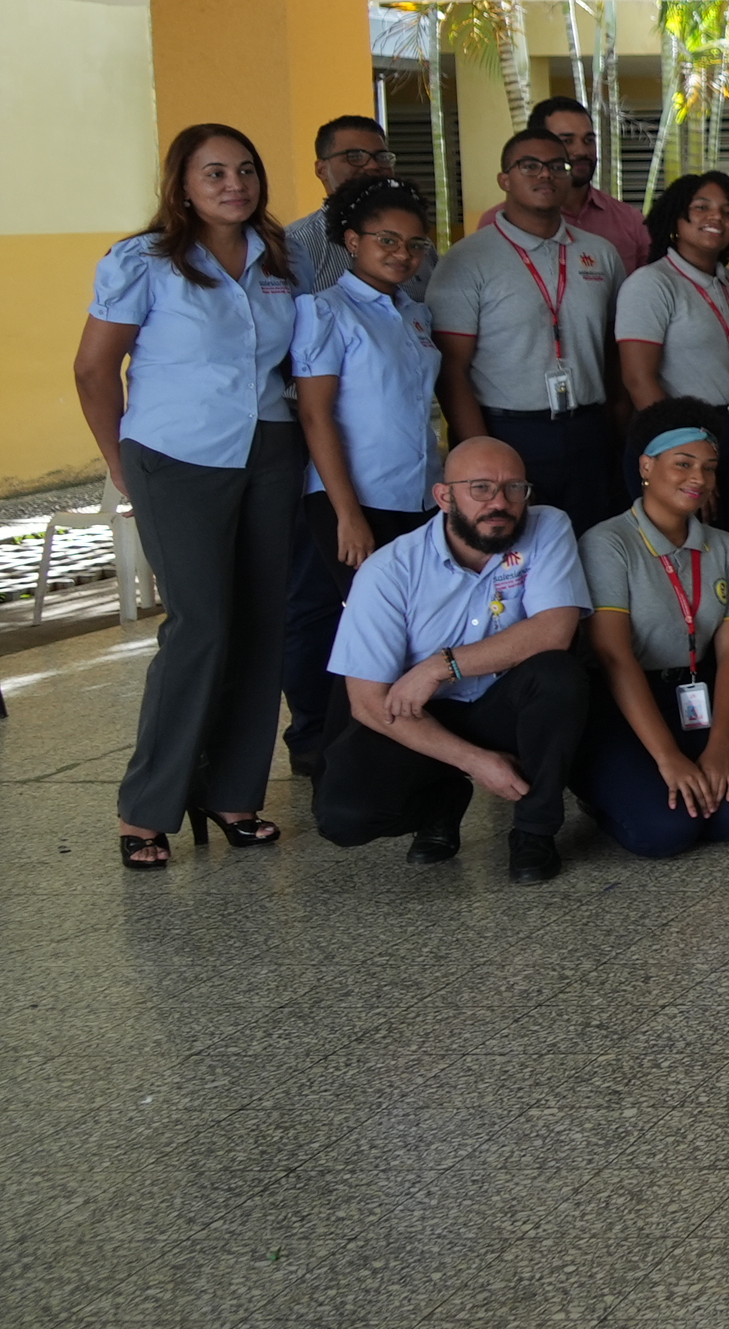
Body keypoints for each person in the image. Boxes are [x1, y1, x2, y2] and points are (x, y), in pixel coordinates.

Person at [75, 123, 308, 867]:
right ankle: (147, 806)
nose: (233, 184)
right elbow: (92, 370)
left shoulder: (280, 257)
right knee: (201, 625)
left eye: (245, 169)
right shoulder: (143, 261)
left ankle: (233, 792)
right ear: (181, 184)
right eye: (214, 173)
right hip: (176, 455)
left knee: (260, 624)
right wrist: (121, 462)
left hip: (269, 450)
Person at [311, 436, 592, 882]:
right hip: (419, 716)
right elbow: (367, 702)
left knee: (558, 675)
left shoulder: (548, 526)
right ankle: (440, 799)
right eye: (480, 488)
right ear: (444, 497)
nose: (499, 502)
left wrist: (441, 665)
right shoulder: (388, 571)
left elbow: (554, 631)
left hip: (504, 701)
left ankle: (535, 831)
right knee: (343, 817)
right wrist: (473, 761)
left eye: (513, 488)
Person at [283, 175, 441, 782]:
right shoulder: (324, 310)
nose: (403, 254)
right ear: (351, 240)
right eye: (387, 240)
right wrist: (347, 513)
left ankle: (389, 753)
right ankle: (337, 758)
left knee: (403, 629)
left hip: (417, 495)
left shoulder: (416, 313)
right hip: (354, 498)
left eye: (416, 244)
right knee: (365, 632)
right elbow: (316, 414)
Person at [576, 402, 729, 856]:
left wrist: (722, 743)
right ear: (646, 465)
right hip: (625, 699)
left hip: (694, 693)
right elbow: (613, 656)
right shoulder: (607, 543)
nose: (699, 480)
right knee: (667, 831)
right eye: (683, 464)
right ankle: (595, 786)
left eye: (709, 467)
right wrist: (668, 757)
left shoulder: (724, 547)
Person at [429, 126, 625, 525]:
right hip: (508, 429)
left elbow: (613, 350)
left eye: (557, 166)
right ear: (504, 179)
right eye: (529, 166)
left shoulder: (599, 254)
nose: (545, 175)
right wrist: (480, 454)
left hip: (589, 427)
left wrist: (617, 429)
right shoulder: (468, 259)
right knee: (517, 555)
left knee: (594, 545)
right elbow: (452, 370)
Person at [614, 172, 729, 534]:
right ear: (675, 218)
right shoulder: (651, 284)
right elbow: (638, 379)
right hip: (681, 437)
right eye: (701, 208)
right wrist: (687, 456)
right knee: (683, 549)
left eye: (728, 212)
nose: (716, 218)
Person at [485, 95, 654, 268]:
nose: (581, 151)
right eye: (567, 141)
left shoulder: (629, 221)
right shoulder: (499, 223)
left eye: (588, 140)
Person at [283, 114, 413, 298]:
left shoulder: (415, 243)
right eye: (355, 156)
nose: (373, 166)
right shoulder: (294, 246)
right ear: (322, 169)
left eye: (381, 157)